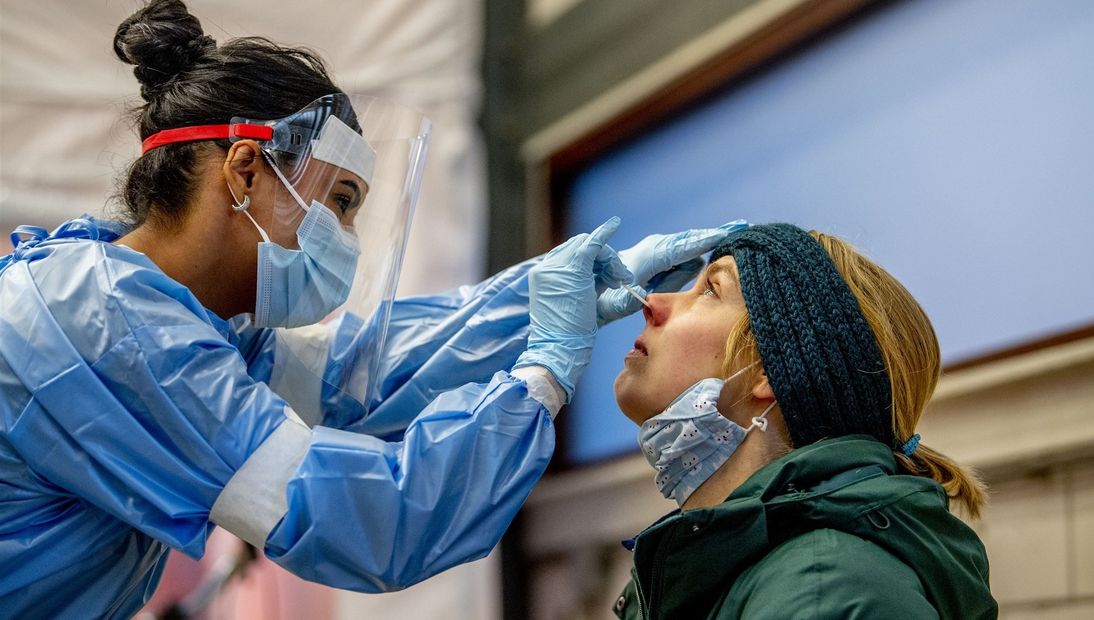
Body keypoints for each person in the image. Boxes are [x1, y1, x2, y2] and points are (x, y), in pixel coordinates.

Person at [0, 1, 741, 617]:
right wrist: (541, 375)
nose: (348, 239)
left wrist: (548, 294)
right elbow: (372, 523)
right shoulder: (108, 329)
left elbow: (359, 375)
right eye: (341, 203)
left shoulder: (154, 310)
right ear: (245, 170)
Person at [611, 223, 998, 619]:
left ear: (767, 371)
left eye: (710, 290)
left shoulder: (824, 592)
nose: (652, 301)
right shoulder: (719, 574)